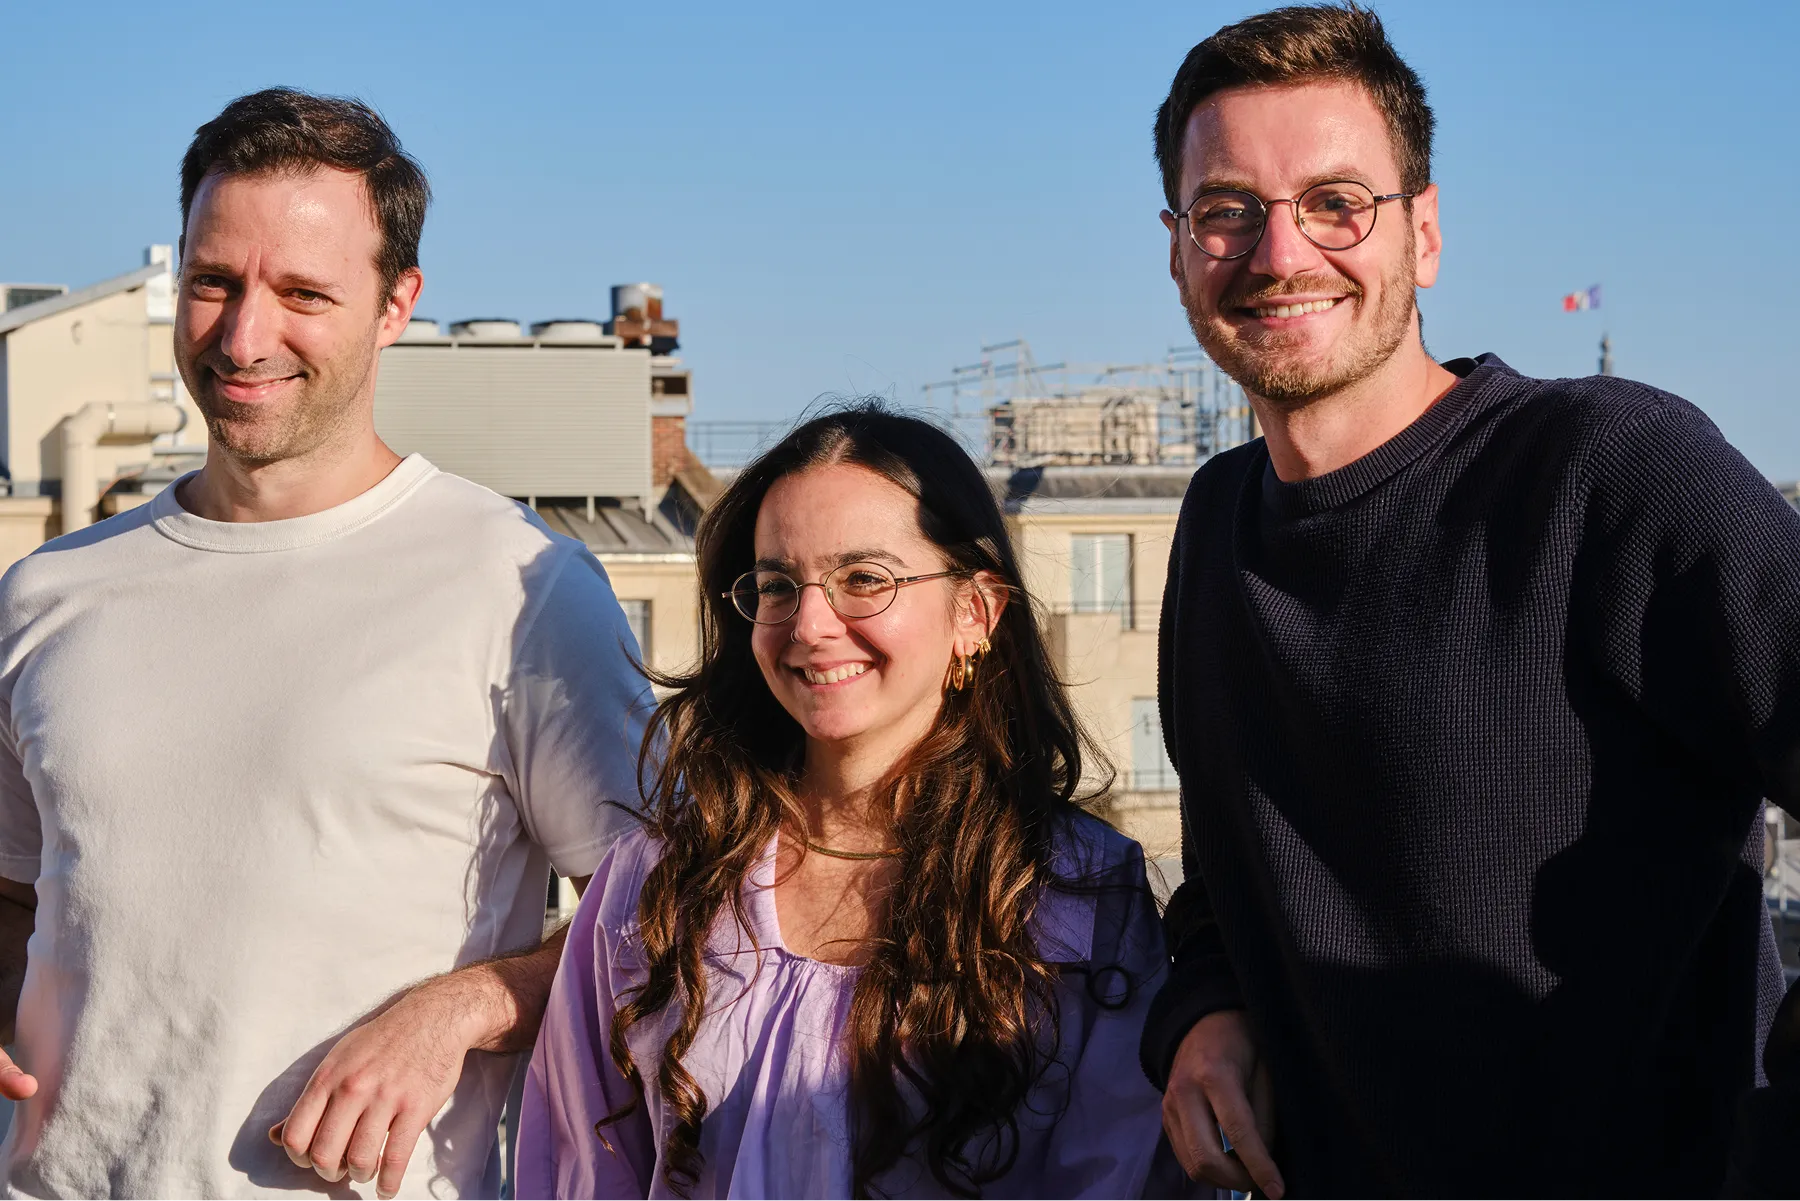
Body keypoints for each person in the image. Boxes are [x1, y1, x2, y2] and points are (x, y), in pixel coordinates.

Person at [1139, 5, 1800, 1200]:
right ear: (1178, 248)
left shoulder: (1611, 469)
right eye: (1229, 209)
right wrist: (1201, 1010)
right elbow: (1224, 892)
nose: (1281, 253)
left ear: (1424, 234)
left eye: (1337, 202)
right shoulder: (1214, 525)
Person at [0, 89, 651, 1199]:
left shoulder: (518, 587)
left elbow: (677, 915)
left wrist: (465, 1006)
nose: (246, 337)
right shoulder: (47, 594)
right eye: (214, 283)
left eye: (304, 292)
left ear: (398, 304)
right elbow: (22, 892)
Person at [515, 406, 1213, 1200]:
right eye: (778, 585)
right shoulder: (656, 884)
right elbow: (575, 1169)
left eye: (864, 580)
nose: (810, 624)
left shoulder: (1076, 897)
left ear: (974, 614)